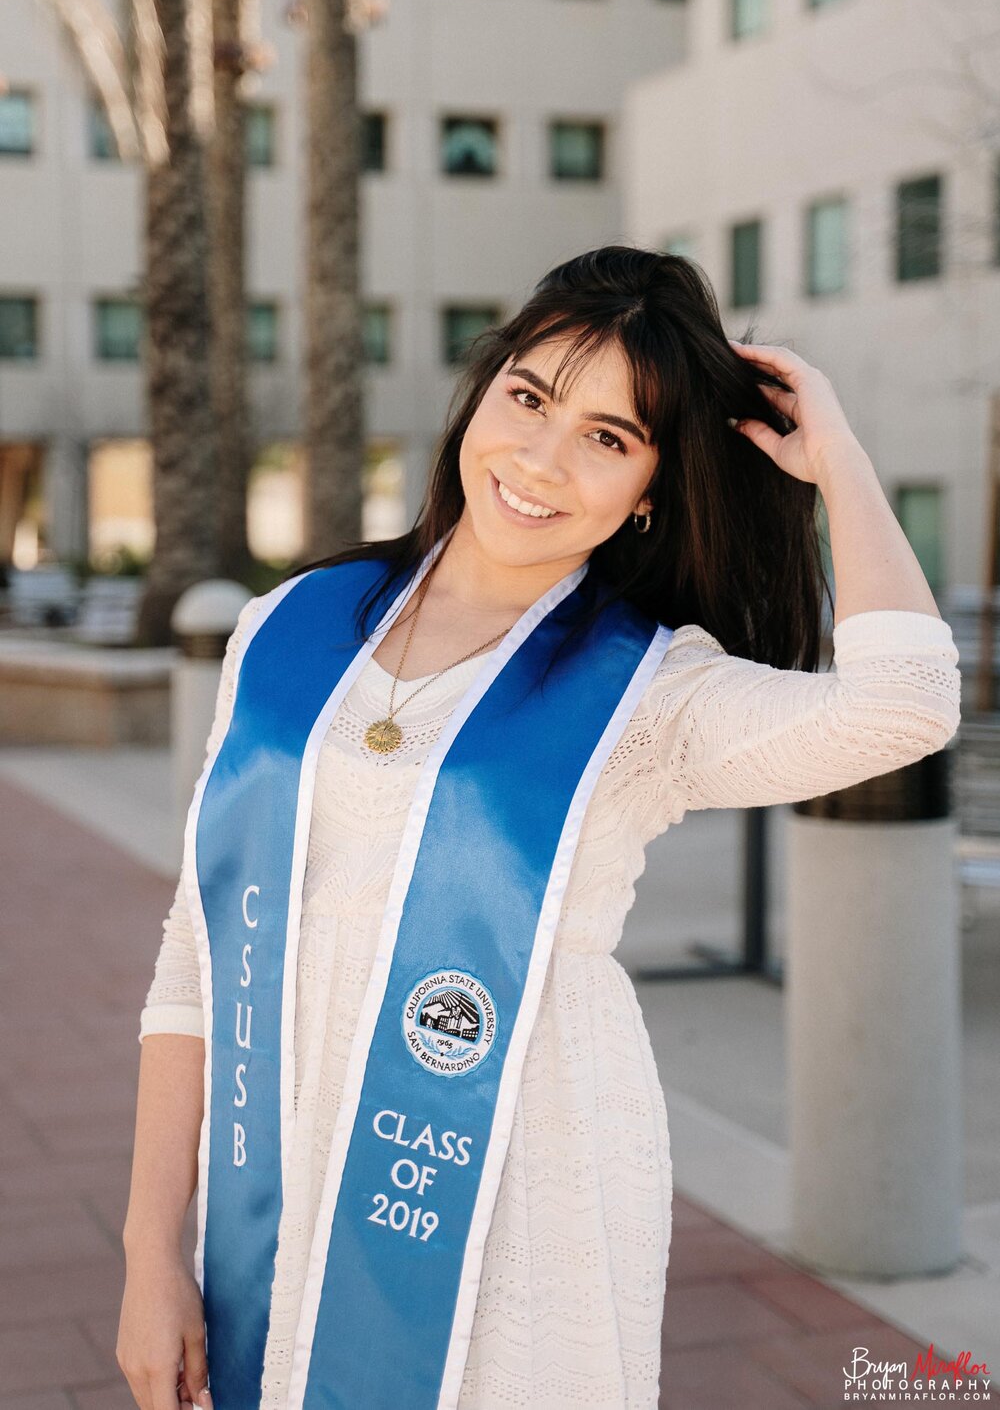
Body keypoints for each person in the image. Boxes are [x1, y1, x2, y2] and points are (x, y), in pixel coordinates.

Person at [116, 246, 961, 1410]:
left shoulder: (649, 696)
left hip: (523, 1176)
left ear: (650, 490)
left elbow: (906, 706)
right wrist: (148, 1252)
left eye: (608, 438)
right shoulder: (289, 627)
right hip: (279, 1166)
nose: (541, 459)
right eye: (530, 398)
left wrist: (839, 461)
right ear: (486, 390)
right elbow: (196, 955)